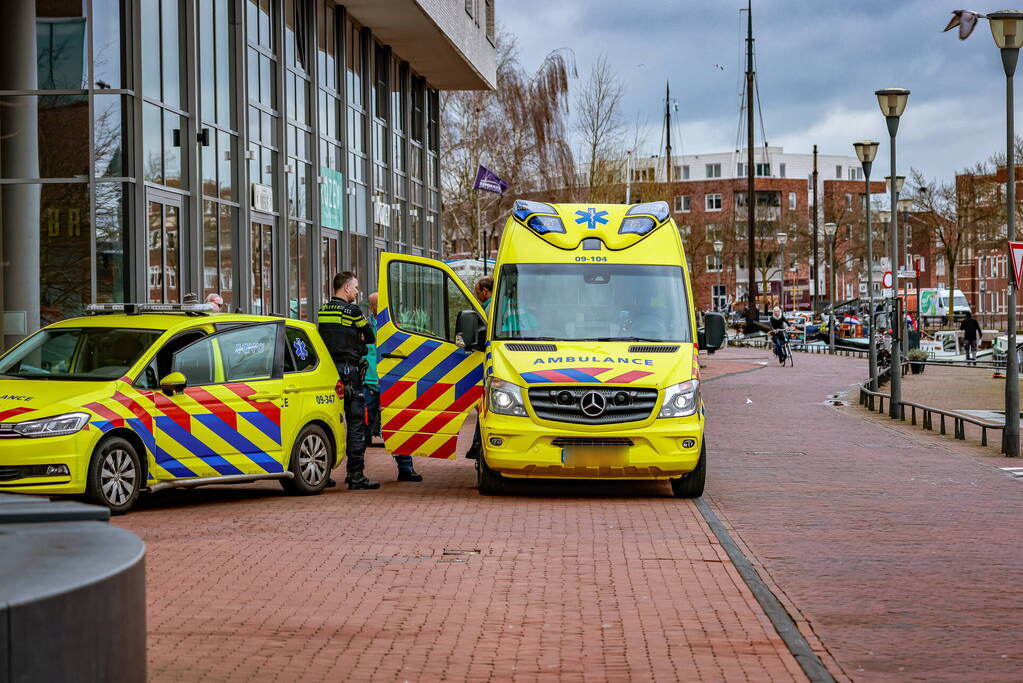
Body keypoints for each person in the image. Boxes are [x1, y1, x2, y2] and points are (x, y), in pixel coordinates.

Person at [318, 272, 379, 490]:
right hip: (349, 372)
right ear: (345, 288)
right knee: (355, 423)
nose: (356, 291)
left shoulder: (323, 311)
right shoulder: (353, 311)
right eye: (355, 287)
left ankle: (323, 475)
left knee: (328, 421)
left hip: (328, 373)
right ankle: (355, 475)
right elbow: (370, 336)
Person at [367, 292, 422, 482]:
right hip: (371, 383)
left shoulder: (395, 327)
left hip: (391, 382)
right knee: (362, 430)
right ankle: (356, 472)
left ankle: (406, 468)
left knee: (400, 425)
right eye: (380, 305)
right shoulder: (365, 327)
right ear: (374, 309)